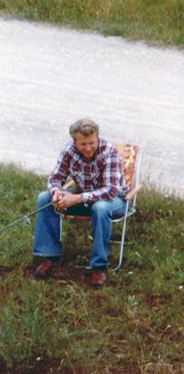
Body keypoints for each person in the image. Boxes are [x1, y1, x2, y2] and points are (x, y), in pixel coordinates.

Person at [32, 118, 128, 289]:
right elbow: (55, 178)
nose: (88, 148)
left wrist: (76, 198)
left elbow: (111, 190)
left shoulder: (109, 151)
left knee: (100, 207)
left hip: (114, 202)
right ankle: (52, 256)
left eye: (92, 143)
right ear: (74, 141)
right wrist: (56, 193)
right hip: (84, 198)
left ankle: (99, 266)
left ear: (97, 138)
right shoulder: (69, 150)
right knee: (44, 198)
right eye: (83, 144)